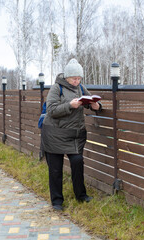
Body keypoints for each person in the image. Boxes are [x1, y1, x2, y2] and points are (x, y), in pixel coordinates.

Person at [41, 58, 102, 211]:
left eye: (79, 78)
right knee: (55, 169)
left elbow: (90, 100)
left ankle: (81, 195)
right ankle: (57, 202)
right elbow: (52, 110)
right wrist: (69, 105)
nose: (76, 81)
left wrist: (96, 106)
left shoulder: (81, 87)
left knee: (77, 162)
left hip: (74, 135)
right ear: (67, 77)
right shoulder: (57, 88)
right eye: (74, 78)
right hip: (54, 134)